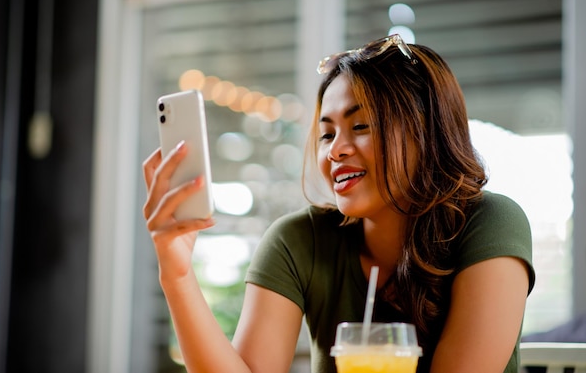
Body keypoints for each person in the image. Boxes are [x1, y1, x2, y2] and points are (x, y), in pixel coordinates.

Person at [142, 34, 535, 373]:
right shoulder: (298, 241)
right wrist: (176, 275)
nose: (335, 151)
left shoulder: (491, 223)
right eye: (327, 135)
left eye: (360, 126)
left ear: (425, 133)